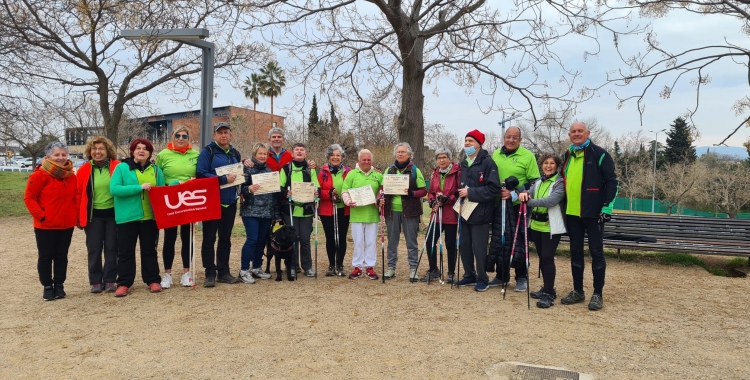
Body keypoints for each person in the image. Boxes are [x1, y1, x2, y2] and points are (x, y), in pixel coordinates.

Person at [560, 121, 618, 311]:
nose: (576, 134)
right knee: (575, 253)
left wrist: (607, 208)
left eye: (580, 131)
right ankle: (578, 291)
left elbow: (612, 182)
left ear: (588, 133)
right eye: (573, 132)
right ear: (569, 135)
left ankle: (597, 294)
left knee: (596, 253)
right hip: (572, 213)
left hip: (594, 214)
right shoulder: (567, 155)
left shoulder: (600, 154)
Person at [110, 138, 166, 297]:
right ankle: (124, 282)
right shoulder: (122, 168)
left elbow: (162, 191)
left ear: (150, 152)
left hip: (149, 218)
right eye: (138, 148)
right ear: (132, 151)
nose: (141, 151)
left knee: (149, 250)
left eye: (145, 149)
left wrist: (180, 184)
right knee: (126, 252)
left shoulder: (156, 170)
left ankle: (153, 280)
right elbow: (114, 189)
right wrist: (138, 187)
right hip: (127, 217)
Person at [25, 141, 79, 301]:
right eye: (57, 155)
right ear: (49, 156)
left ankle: (59, 285)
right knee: (46, 256)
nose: (61, 158)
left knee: (62, 256)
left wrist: (75, 216)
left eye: (63, 154)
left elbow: (76, 197)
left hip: (66, 224)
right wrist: (41, 215)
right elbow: (29, 197)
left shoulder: (71, 176)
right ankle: (47, 286)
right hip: (45, 225)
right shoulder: (39, 175)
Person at [489, 126, 540, 291]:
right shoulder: (496, 154)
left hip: (519, 206)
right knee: (500, 240)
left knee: (519, 241)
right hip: (499, 204)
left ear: (520, 140)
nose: (511, 140)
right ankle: (501, 276)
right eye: (508, 137)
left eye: (514, 137)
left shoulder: (528, 156)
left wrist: (515, 193)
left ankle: (522, 277)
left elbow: (534, 182)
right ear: (504, 137)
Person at [196, 122, 243, 287]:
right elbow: (201, 174)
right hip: (212, 202)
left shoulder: (235, 153)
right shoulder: (207, 151)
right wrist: (222, 179)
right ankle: (210, 273)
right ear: (214, 135)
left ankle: (224, 272)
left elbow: (238, 175)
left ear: (230, 135)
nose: (223, 135)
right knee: (209, 238)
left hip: (230, 202)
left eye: (226, 132)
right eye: (220, 132)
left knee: (225, 238)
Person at [456, 130, 502, 291]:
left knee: (479, 248)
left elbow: (494, 188)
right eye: (466, 140)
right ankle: (469, 275)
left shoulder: (488, 163)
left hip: (481, 214)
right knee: (465, 245)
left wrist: (471, 193)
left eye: (471, 141)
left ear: (479, 144)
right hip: (464, 212)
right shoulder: (464, 163)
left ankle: (482, 278)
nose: (467, 143)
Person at [518, 153, 566, 308]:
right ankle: (546, 288)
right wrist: (523, 193)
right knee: (542, 257)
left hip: (551, 226)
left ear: (557, 166)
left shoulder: (559, 183)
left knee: (547, 257)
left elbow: (551, 201)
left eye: (552, 163)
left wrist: (528, 201)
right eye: (546, 163)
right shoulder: (539, 181)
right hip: (536, 225)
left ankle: (549, 293)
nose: (548, 165)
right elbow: (528, 193)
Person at [155, 125, 200, 288]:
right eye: (178, 136)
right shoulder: (163, 154)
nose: (181, 139)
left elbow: (201, 174)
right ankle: (167, 274)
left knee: (187, 237)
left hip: (189, 199)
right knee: (170, 236)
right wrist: (171, 185)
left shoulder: (196, 154)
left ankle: (186, 273)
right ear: (172, 137)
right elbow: (157, 176)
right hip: (171, 199)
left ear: (189, 139)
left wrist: (196, 178)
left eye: (184, 136)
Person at [76, 136, 120, 294]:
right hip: (93, 216)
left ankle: (109, 280)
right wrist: (78, 217)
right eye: (94, 149)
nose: (97, 152)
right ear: (89, 151)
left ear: (108, 151)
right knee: (94, 248)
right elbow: (79, 194)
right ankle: (95, 281)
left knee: (112, 248)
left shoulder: (117, 166)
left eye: (101, 149)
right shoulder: (84, 170)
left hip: (114, 215)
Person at [382, 142, 427, 281]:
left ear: (409, 154)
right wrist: (381, 197)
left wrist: (412, 193)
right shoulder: (389, 170)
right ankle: (391, 268)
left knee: (411, 241)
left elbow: (423, 190)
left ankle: (413, 268)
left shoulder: (414, 170)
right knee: (392, 241)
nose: (400, 154)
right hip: (392, 211)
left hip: (410, 211)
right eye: (398, 152)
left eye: (403, 152)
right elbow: (382, 189)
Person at [238, 142, 278, 283]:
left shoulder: (269, 171)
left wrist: (275, 214)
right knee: (252, 239)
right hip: (250, 211)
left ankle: (256, 267)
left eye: (265, 154)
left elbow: (273, 194)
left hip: (266, 212)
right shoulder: (247, 168)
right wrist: (248, 190)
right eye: (260, 153)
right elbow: (240, 188)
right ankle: (243, 270)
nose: (262, 156)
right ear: (254, 154)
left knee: (261, 240)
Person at [279, 143, 320, 277]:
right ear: (292, 153)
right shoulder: (286, 169)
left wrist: (316, 193)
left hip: (306, 210)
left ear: (306, 154)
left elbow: (316, 188)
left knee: (305, 239)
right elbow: (279, 187)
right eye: (297, 149)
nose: (299, 151)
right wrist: (286, 193)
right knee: (291, 239)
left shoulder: (311, 170)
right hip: (290, 209)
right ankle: (291, 266)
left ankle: (307, 267)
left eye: (302, 150)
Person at [342, 149, 383, 280]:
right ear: (359, 160)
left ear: (372, 161)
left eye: (369, 160)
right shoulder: (352, 174)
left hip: (372, 214)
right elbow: (344, 190)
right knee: (358, 242)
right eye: (364, 159)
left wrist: (379, 200)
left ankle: (370, 266)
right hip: (357, 214)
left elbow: (382, 191)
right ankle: (358, 266)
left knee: (371, 242)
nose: (366, 162)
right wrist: (348, 201)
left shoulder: (378, 175)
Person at [421, 149, 459, 284]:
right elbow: (431, 191)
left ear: (449, 158)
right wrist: (432, 201)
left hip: (451, 213)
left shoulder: (456, 172)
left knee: (450, 243)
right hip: (436, 212)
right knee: (430, 240)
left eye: (444, 157)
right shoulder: (435, 173)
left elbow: (459, 191)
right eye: (439, 158)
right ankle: (434, 269)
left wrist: (448, 198)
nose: (442, 160)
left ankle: (451, 272)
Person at [318, 144, 351, 277]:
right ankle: (332, 264)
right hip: (327, 209)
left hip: (343, 208)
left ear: (342, 157)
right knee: (330, 237)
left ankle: (340, 264)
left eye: (338, 155)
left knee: (341, 237)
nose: (335, 157)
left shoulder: (349, 171)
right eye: (333, 155)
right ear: (328, 157)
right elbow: (318, 190)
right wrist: (329, 194)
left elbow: (353, 186)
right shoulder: (322, 172)